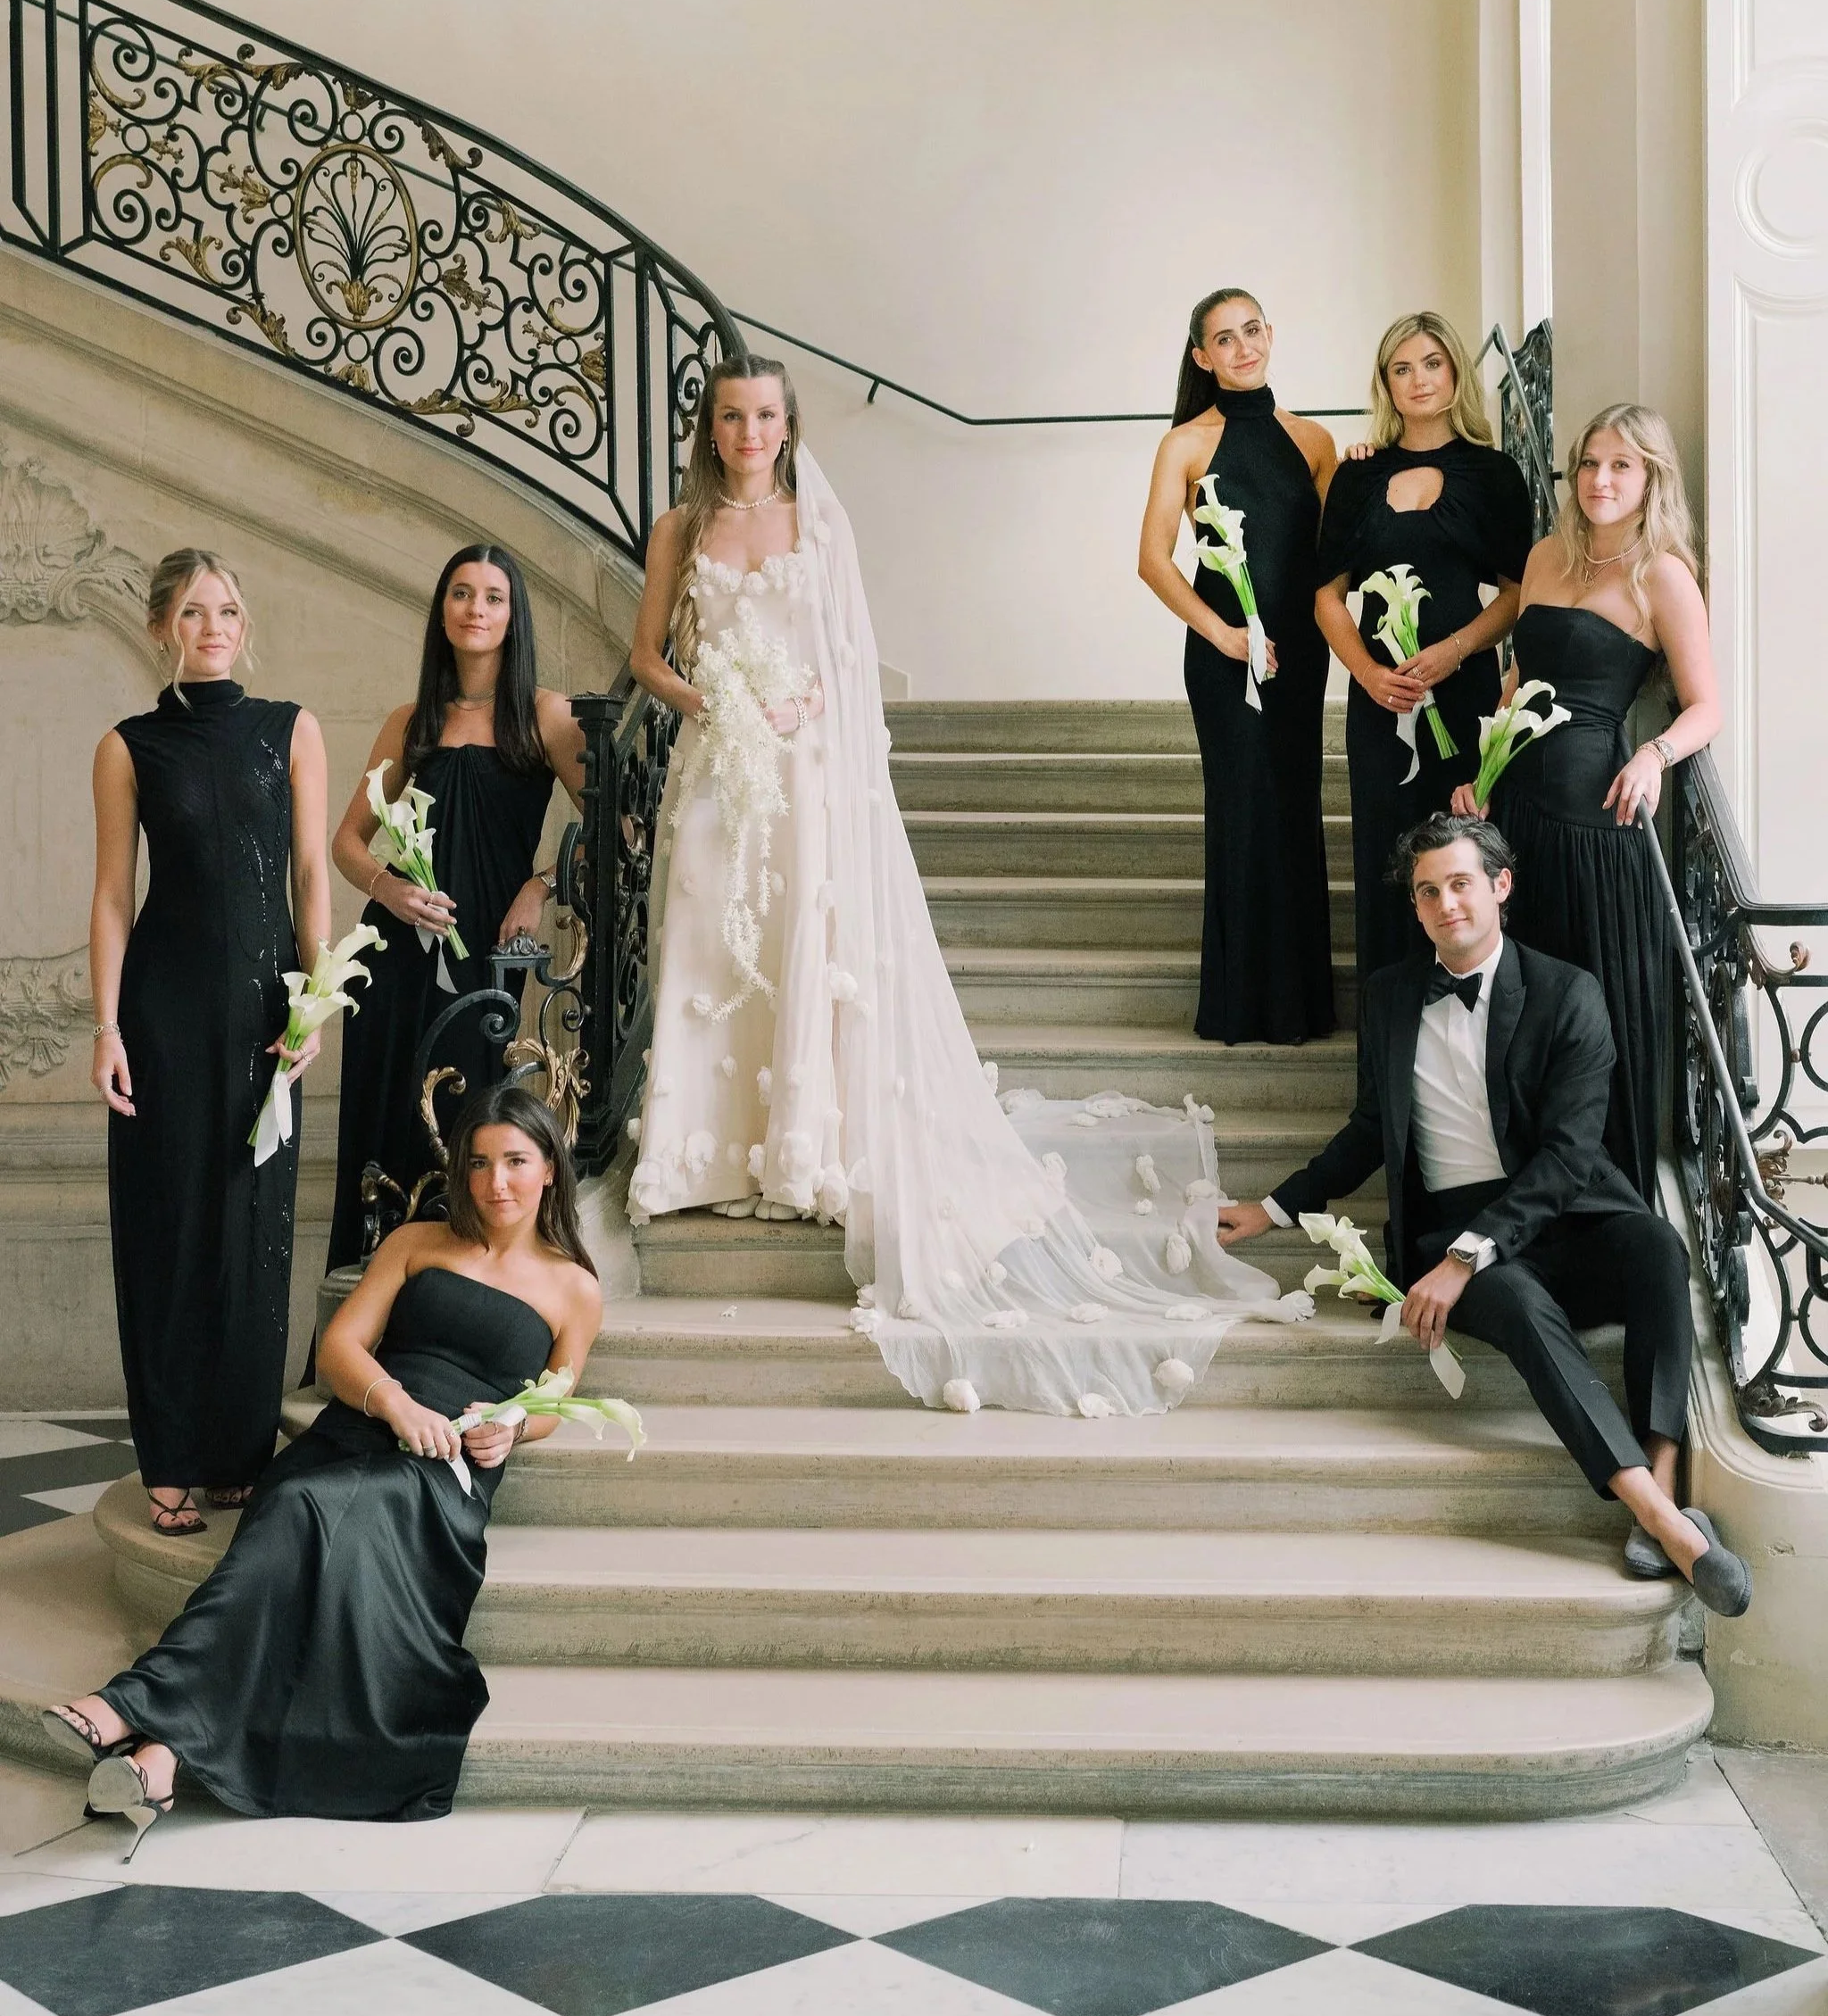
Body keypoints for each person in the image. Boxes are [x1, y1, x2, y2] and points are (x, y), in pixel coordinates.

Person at [627, 351, 1310, 1418]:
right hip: (720, 766)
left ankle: (799, 1151)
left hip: (806, 768)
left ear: (787, 426)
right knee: (715, 950)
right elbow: (649, 659)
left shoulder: (819, 523)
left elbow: (848, 661)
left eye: (764, 415)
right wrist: (708, 701)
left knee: (801, 944)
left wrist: (810, 726)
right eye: (730, 416)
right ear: (709, 430)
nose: (748, 432)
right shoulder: (677, 530)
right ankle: (700, 1156)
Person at [1215, 815, 1749, 1614]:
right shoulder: (1391, 997)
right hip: (1447, 1231)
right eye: (1428, 892)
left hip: (1563, 1211)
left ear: (1500, 886)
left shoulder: (1568, 991)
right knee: (1521, 1303)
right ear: (1416, 907)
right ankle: (1664, 1524)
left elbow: (1569, 1156)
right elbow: (1370, 1129)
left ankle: (1663, 1474)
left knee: (1657, 1246)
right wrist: (1273, 1207)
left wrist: (1472, 1251)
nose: (1446, 905)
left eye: (1460, 884)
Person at [44, 1087, 603, 1838]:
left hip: (439, 1475)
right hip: (357, 1430)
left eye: (515, 1162)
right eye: (478, 1163)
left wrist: (512, 1428)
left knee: (307, 1512)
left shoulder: (575, 1287)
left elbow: (556, 1401)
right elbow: (340, 1348)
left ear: (550, 1169)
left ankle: (131, 1709)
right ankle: (160, 1762)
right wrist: (394, 1403)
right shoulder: (417, 1241)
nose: (494, 1182)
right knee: (296, 1507)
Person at [91, 550, 330, 1535]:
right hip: (164, 1014)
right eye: (193, 612)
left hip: (267, 1014)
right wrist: (107, 1026)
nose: (213, 627)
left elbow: (311, 874)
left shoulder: (291, 729)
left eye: (227, 610)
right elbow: (113, 896)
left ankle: (238, 1450)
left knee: (255, 1224)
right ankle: (171, 1457)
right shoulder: (129, 747)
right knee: (170, 1224)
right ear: (162, 627)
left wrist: (317, 1000)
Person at [1452, 403, 1721, 1200]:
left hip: (1595, 826)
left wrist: (1654, 754)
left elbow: (1707, 705)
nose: (1601, 480)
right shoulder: (1545, 556)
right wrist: (1482, 774)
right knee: (1516, 1010)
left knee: (1588, 1011)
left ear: (1650, 478)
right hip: (1514, 818)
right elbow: (1515, 684)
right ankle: (1516, 1194)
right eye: (1590, 464)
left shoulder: (1663, 575)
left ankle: (1602, 1204)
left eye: (1621, 465)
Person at [325, 544, 585, 1272]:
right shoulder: (410, 721)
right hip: (396, 952)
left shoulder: (546, 714)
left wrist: (539, 886)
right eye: (462, 593)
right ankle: (376, 1294)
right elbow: (346, 843)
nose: (477, 609)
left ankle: (462, 1296)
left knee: (471, 1122)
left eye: (494, 597)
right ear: (442, 611)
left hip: (485, 955)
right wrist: (388, 888)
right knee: (389, 1122)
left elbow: (616, 828)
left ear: (513, 616)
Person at [1138, 287, 1337, 1043]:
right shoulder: (1184, 445)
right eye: (1224, 339)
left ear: (1270, 335)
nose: (1243, 347)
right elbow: (1154, 560)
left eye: (1252, 331)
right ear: (1202, 356)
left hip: (1301, 654)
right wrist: (1222, 634)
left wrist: (1361, 468)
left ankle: (1299, 1006)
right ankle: (1238, 1004)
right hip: (1224, 657)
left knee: (1294, 808)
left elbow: (1336, 556)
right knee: (1242, 810)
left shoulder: (1315, 441)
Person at [1316, 311, 1534, 984]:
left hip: (1464, 697)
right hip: (1380, 705)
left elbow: (1518, 593)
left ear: (1456, 372)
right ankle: (1389, 1030)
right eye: (1402, 368)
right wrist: (1368, 675)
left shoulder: (1495, 474)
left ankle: (1468, 1018)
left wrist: (1455, 651)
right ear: (1386, 383)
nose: (1419, 380)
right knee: (1387, 858)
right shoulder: (1357, 476)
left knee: (1462, 857)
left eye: (1432, 363)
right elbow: (1327, 597)